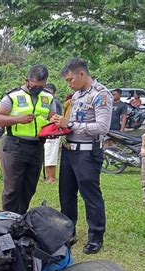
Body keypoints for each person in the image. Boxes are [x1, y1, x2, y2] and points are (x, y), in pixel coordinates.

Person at [54, 58, 112, 254]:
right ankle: (67, 232)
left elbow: (102, 127)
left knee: (90, 195)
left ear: (81, 74)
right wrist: (60, 123)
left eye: (70, 79)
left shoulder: (100, 94)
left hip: (87, 152)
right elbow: (72, 122)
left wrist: (70, 124)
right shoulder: (76, 95)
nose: (69, 84)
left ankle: (96, 236)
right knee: (66, 194)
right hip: (69, 151)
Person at [0, 64, 56, 214]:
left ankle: (20, 217)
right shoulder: (12, 97)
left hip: (37, 147)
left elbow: (52, 118)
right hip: (15, 146)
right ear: (26, 80)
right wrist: (18, 119)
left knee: (29, 187)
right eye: (34, 85)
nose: (37, 88)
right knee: (13, 188)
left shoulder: (48, 98)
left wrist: (54, 126)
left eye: (41, 86)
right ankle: (8, 220)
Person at [43, 83, 63, 183]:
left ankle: (52, 178)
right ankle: (48, 176)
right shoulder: (46, 101)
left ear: (53, 92)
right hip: (47, 132)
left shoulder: (54, 102)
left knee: (51, 154)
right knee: (47, 154)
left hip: (53, 133)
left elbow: (56, 118)